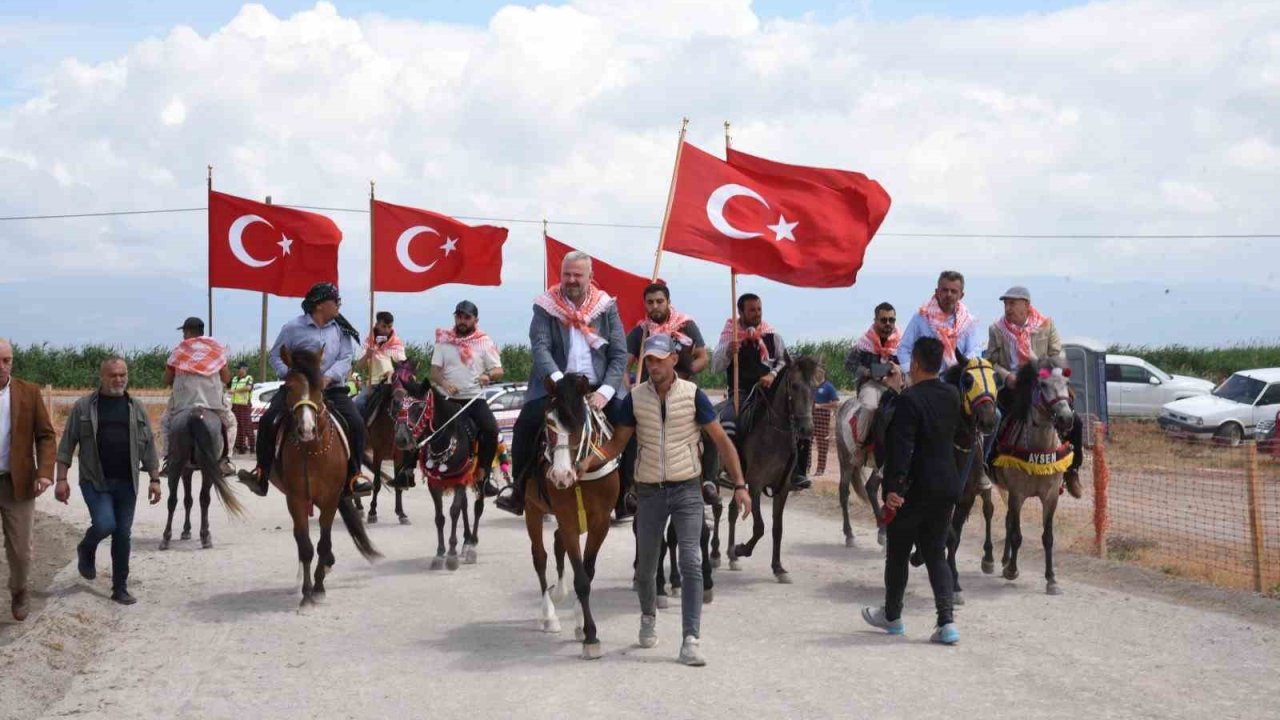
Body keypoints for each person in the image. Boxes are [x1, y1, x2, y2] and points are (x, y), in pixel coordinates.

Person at [583, 334, 751, 666]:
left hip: (687, 488)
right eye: (649, 360)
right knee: (646, 568)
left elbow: (721, 441)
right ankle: (648, 615)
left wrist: (741, 485)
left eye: (660, 359)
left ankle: (690, 638)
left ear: (674, 359)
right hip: (649, 492)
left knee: (690, 562)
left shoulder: (693, 396)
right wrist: (588, 461)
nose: (654, 365)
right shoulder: (635, 398)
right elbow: (617, 444)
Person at [496, 251, 628, 515]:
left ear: (591, 277)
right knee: (526, 425)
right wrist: (559, 385)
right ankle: (519, 491)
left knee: (630, 424)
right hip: (555, 385)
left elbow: (619, 354)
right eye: (567, 274)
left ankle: (629, 493)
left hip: (597, 387)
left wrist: (605, 391)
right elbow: (540, 347)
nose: (571, 280)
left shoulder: (606, 307)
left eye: (578, 275)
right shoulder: (546, 305)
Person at [862, 338, 965, 645]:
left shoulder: (908, 399)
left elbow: (901, 447)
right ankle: (946, 623)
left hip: (912, 489)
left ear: (916, 364)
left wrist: (892, 488)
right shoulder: (952, 395)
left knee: (897, 552)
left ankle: (893, 617)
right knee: (936, 553)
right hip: (946, 485)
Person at [236, 282, 374, 497]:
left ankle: (354, 476)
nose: (338, 305)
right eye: (335, 301)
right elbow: (275, 354)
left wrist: (328, 377)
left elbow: (346, 357)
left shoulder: (341, 329)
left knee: (356, 423)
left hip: (331, 388)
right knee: (268, 419)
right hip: (299, 388)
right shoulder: (292, 328)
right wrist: (291, 375)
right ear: (319, 305)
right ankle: (261, 475)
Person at [54, 357, 162, 606]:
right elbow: (67, 444)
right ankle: (86, 547)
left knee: (123, 534)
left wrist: (155, 479)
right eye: (113, 375)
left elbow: (148, 446)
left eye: (122, 374)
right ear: (102, 377)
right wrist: (61, 479)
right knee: (105, 524)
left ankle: (120, 587)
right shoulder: (84, 407)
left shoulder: (136, 407)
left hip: (127, 482)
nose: (119, 379)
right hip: (95, 480)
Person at [986, 285, 1083, 498]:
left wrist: (1039, 366)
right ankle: (989, 465)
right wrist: (1006, 375)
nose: (1008, 308)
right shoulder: (996, 329)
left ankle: (1072, 470)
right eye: (1005, 303)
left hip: (1045, 382)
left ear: (1026, 306)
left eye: (1012, 303)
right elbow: (991, 361)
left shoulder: (1046, 325)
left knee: (1074, 419)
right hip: (1013, 385)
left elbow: (1057, 355)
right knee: (995, 417)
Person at [711, 293, 811, 491]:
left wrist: (773, 374)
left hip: (770, 392)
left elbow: (785, 362)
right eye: (752, 310)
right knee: (729, 419)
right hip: (741, 392)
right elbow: (715, 367)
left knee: (801, 418)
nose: (757, 314)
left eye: (759, 309)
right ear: (740, 312)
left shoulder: (773, 337)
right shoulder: (730, 338)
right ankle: (731, 470)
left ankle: (798, 472)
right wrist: (728, 353)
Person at [625, 282, 710, 508]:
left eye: (659, 301)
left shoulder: (686, 326)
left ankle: (709, 481)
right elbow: (624, 367)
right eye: (650, 302)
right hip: (648, 396)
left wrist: (685, 376)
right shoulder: (640, 332)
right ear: (645, 305)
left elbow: (703, 357)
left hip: (684, 392)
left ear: (668, 302)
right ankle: (628, 489)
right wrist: (630, 390)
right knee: (625, 432)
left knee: (712, 427)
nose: (655, 306)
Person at [0, 338, 57, 621]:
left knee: (21, 551)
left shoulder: (29, 392)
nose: (1, 366)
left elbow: (46, 435)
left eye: (6, 360)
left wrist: (45, 472)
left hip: (17, 483)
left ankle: (20, 589)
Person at [431, 300, 504, 497]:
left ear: (475, 320)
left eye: (467, 317)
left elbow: (498, 370)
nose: (462, 321)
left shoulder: (484, 342)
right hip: (448, 400)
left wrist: (488, 376)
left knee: (491, 430)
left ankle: (483, 477)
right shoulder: (443, 341)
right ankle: (409, 470)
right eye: (459, 316)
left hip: (473, 399)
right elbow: (434, 373)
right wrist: (445, 385)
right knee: (422, 427)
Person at [158, 317, 236, 478]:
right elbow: (227, 378)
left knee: (165, 422)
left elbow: (166, 379)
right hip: (212, 403)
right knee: (230, 424)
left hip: (183, 403)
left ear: (187, 331)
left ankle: (169, 459)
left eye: (184, 332)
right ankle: (224, 460)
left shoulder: (179, 350)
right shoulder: (216, 349)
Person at [844, 302, 902, 463]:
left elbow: (907, 365)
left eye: (892, 320)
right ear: (875, 320)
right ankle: (859, 447)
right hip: (871, 384)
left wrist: (898, 368)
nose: (888, 324)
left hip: (895, 383)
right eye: (884, 320)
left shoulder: (901, 342)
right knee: (870, 407)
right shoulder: (864, 342)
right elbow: (849, 364)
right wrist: (868, 372)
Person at [898, 271, 983, 373]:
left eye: (954, 291)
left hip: (958, 381)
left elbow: (974, 351)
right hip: (927, 381)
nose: (948, 295)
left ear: (961, 295)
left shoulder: (969, 322)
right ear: (937, 292)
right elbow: (904, 349)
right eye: (945, 290)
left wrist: (960, 369)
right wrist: (911, 374)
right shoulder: (921, 318)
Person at [355, 311, 407, 422]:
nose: (387, 330)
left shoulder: (396, 343)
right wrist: (367, 355)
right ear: (377, 325)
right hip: (373, 384)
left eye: (389, 327)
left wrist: (394, 373)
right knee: (358, 402)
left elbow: (403, 365)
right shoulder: (369, 343)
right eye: (384, 326)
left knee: (407, 404)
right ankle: (361, 431)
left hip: (392, 384)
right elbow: (359, 366)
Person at [810, 365, 839, 476]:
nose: (817, 373)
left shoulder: (828, 387)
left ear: (823, 372)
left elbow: (836, 403)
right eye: (815, 371)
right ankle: (806, 468)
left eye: (819, 371)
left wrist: (820, 406)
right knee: (807, 443)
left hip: (822, 418)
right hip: (810, 417)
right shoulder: (811, 386)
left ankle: (820, 469)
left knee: (822, 445)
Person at [229, 363, 255, 455]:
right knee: (237, 426)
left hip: (244, 406)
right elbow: (227, 387)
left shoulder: (249, 378)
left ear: (244, 369)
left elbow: (248, 388)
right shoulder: (234, 379)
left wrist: (234, 391)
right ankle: (240, 447)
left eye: (239, 369)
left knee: (246, 426)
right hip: (235, 405)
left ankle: (252, 447)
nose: (237, 371)